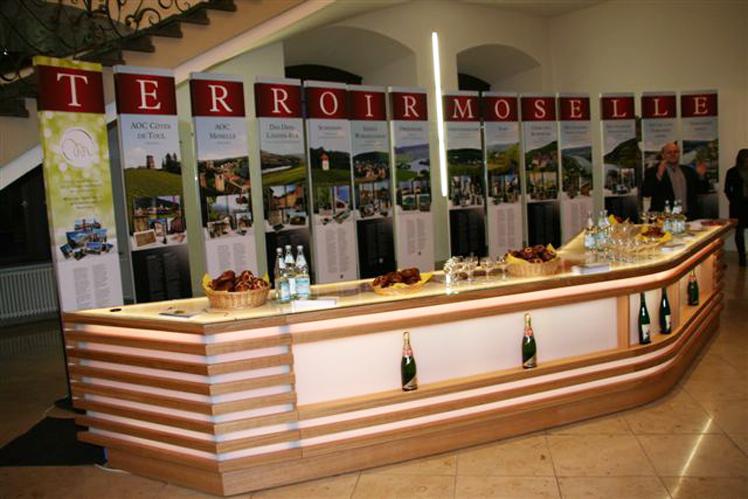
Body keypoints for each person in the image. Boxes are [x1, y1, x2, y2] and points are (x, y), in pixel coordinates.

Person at [642, 142, 708, 220]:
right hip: (664, 219)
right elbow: (646, 192)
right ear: (663, 155)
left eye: (676, 152)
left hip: (688, 217)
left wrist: (701, 176)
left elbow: (702, 190)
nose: (673, 154)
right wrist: (659, 175)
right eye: (669, 152)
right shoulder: (653, 171)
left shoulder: (688, 171)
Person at [724, 148, 748, 266]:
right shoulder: (732, 172)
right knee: (739, 232)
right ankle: (742, 258)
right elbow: (727, 189)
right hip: (737, 206)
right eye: (745, 158)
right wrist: (733, 200)